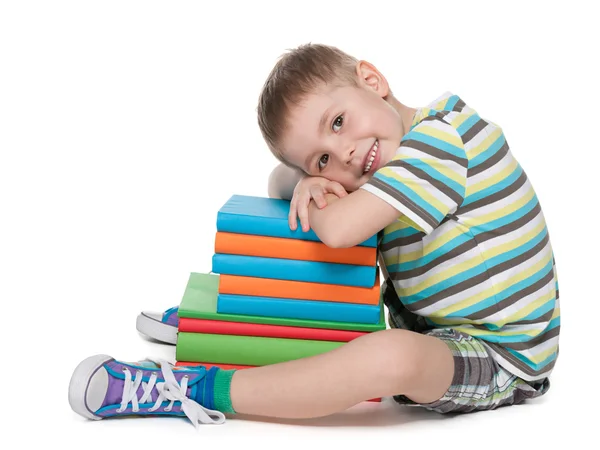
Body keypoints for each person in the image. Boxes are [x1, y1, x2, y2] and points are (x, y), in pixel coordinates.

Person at [68, 43, 560, 427]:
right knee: (319, 246)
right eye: (322, 157)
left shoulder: (440, 140)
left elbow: (341, 229)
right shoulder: (385, 165)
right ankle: (235, 327)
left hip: (502, 358)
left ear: (372, 80)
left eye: (338, 122)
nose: (343, 154)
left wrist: (314, 186)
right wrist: (304, 181)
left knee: (391, 355)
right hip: (436, 328)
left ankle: (196, 389)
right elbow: (277, 186)